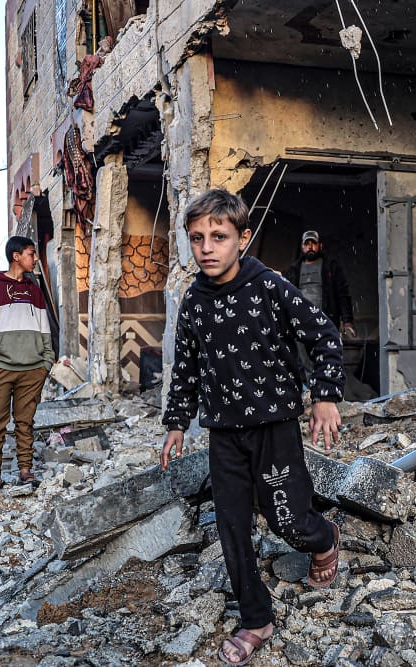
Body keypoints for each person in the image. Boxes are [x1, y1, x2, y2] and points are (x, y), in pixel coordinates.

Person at [160, 189, 345, 665]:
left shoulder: (270, 287)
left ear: (242, 239)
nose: (207, 247)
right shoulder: (193, 303)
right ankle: (255, 617)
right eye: (197, 237)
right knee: (232, 527)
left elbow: (323, 333)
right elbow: (185, 368)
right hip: (224, 433)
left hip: (275, 426)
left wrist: (324, 397)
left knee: (287, 518)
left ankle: (323, 538)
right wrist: (177, 424)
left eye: (218, 237)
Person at [0, 236, 54, 497]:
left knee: (25, 423)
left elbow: (45, 331)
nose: (35, 258)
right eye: (32, 254)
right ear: (16, 256)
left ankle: (25, 471)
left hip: (32, 369)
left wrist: (45, 363)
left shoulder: (35, 290)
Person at [282, 230, 356, 338]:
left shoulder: (330, 267)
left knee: (326, 352)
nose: (310, 247)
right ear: (302, 247)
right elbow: (286, 297)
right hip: (301, 323)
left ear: (320, 245)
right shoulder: (293, 271)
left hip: (326, 321)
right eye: (307, 244)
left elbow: (343, 295)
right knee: (302, 354)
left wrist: (347, 321)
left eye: (314, 243)